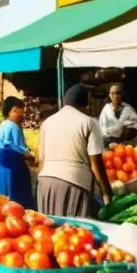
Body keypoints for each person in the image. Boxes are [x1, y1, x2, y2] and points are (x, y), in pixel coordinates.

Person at [37, 84, 111, 218]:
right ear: (85, 103)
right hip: (74, 183)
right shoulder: (88, 122)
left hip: (45, 182)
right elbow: (96, 164)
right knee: (74, 231)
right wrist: (106, 192)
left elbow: (40, 160)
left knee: (50, 230)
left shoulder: (47, 122)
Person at [0, 96, 35, 209]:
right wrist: (28, 155)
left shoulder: (4, 124)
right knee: (15, 201)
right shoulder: (12, 126)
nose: (22, 115)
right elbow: (14, 147)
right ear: (11, 111)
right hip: (9, 163)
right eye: (18, 111)